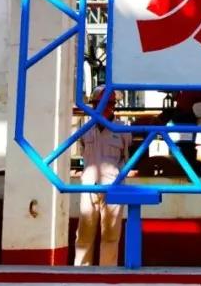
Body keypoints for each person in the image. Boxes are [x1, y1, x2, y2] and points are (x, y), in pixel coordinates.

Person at [74, 86, 131, 267]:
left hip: (114, 186)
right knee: (84, 234)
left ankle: (108, 273)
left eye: (110, 104)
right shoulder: (85, 129)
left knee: (111, 235)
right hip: (89, 185)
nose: (106, 108)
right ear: (93, 105)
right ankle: (81, 273)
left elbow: (127, 157)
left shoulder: (123, 130)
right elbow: (83, 152)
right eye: (101, 104)